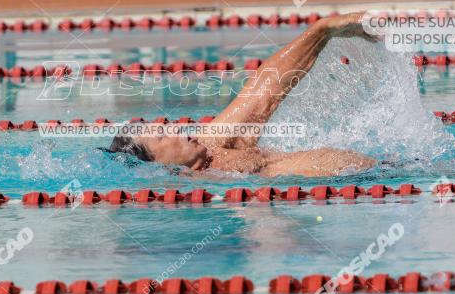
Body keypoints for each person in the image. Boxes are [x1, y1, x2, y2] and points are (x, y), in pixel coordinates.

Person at [107, 13, 377, 177]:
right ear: (158, 166)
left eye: (167, 126)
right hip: (369, 184)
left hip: (381, 172)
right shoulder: (197, 184)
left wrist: (320, 31)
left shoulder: (209, 146)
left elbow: (264, 90)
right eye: (163, 135)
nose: (177, 128)